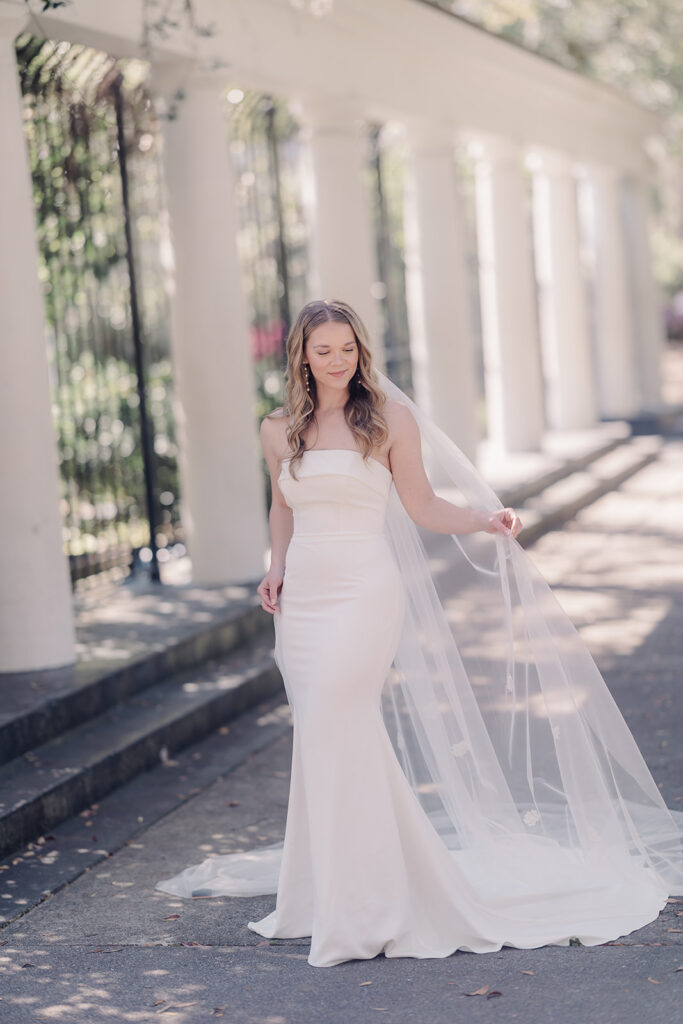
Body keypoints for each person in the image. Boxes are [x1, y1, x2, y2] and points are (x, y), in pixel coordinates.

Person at [157, 299, 683, 969]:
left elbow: (422, 505)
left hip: (363, 593)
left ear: (359, 350)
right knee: (323, 736)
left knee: (339, 719)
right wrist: (276, 568)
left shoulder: (386, 421)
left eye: (347, 347)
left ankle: (371, 904)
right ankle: (335, 891)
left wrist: (483, 520)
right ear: (301, 357)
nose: (337, 360)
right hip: (304, 604)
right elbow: (281, 504)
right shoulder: (277, 428)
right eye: (323, 350)